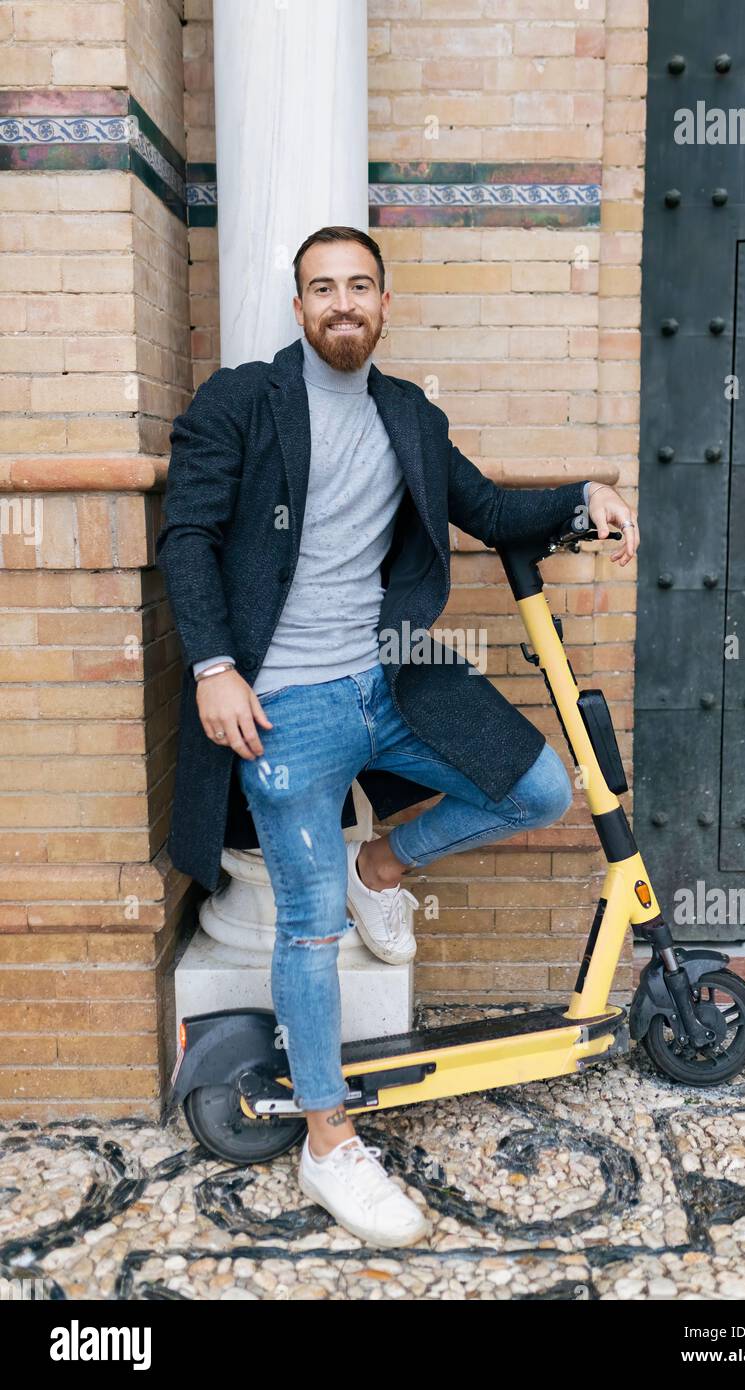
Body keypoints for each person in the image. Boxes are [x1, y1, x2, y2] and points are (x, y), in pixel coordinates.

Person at [158, 226, 639, 1248]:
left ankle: (378, 863)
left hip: (390, 675)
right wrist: (214, 667)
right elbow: (187, 534)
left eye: (358, 286)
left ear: (383, 303)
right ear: (298, 309)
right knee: (306, 928)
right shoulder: (240, 402)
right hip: (282, 703)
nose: (342, 302)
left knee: (542, 789)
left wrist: (580, 496)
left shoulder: (408, 415)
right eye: (321, 287)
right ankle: (329, 1141)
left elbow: (488, 508)